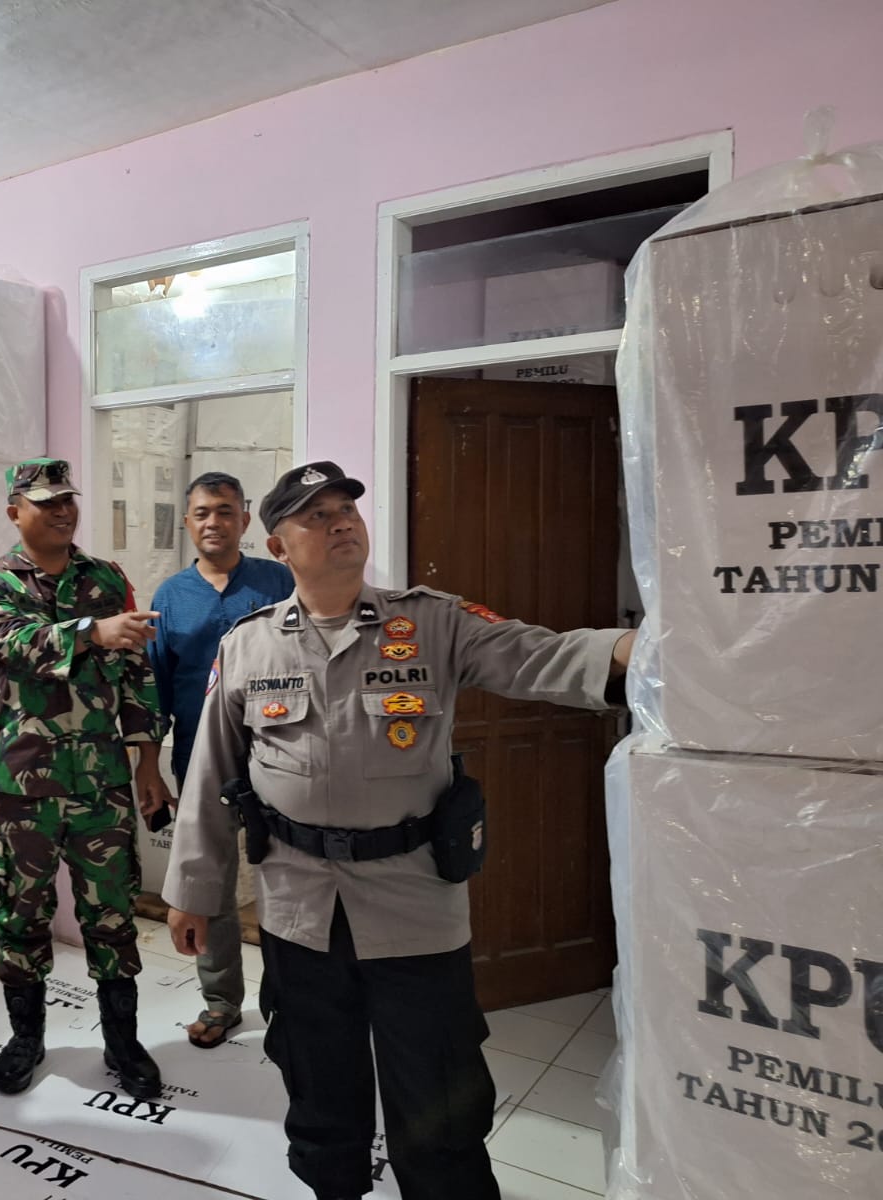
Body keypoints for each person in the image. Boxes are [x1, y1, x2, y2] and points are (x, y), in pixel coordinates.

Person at [164, 461, 635, 1200]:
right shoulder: (247, 645)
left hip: (414, 906)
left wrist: (646, 649)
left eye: (346, 510)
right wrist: (192, 892)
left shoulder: (431, 623)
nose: (340, 523)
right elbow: (210, 775)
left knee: (438, 1090)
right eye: (316, 516)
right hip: (297, 907)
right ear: (279, 547)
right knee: (318, 1082)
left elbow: (541, 655)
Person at [0, 457, 170, 1099]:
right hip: (23, 785)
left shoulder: (106, 578)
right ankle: (25, 1039)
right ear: (15, 512)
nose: (61, 511)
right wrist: (92, 632)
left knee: (112, 913)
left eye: (67, 500)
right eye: (46, 502)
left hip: (102, 781)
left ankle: (122, 1042)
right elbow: (14, 644)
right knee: (22, 913)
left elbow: (136, 673)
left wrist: (148, 761)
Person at [146, 470, 293, 1048]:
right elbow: (156, 689)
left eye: (226, 511)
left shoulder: (277, 580)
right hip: (201, 759)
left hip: (280, 753)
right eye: (203, 512)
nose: (214, 522)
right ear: (187, 522)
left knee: (288, 881)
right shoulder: (170, 596)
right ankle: (221, 1000)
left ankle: (290, 999)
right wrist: (147, 767)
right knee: (211, 882)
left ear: (245, 519)